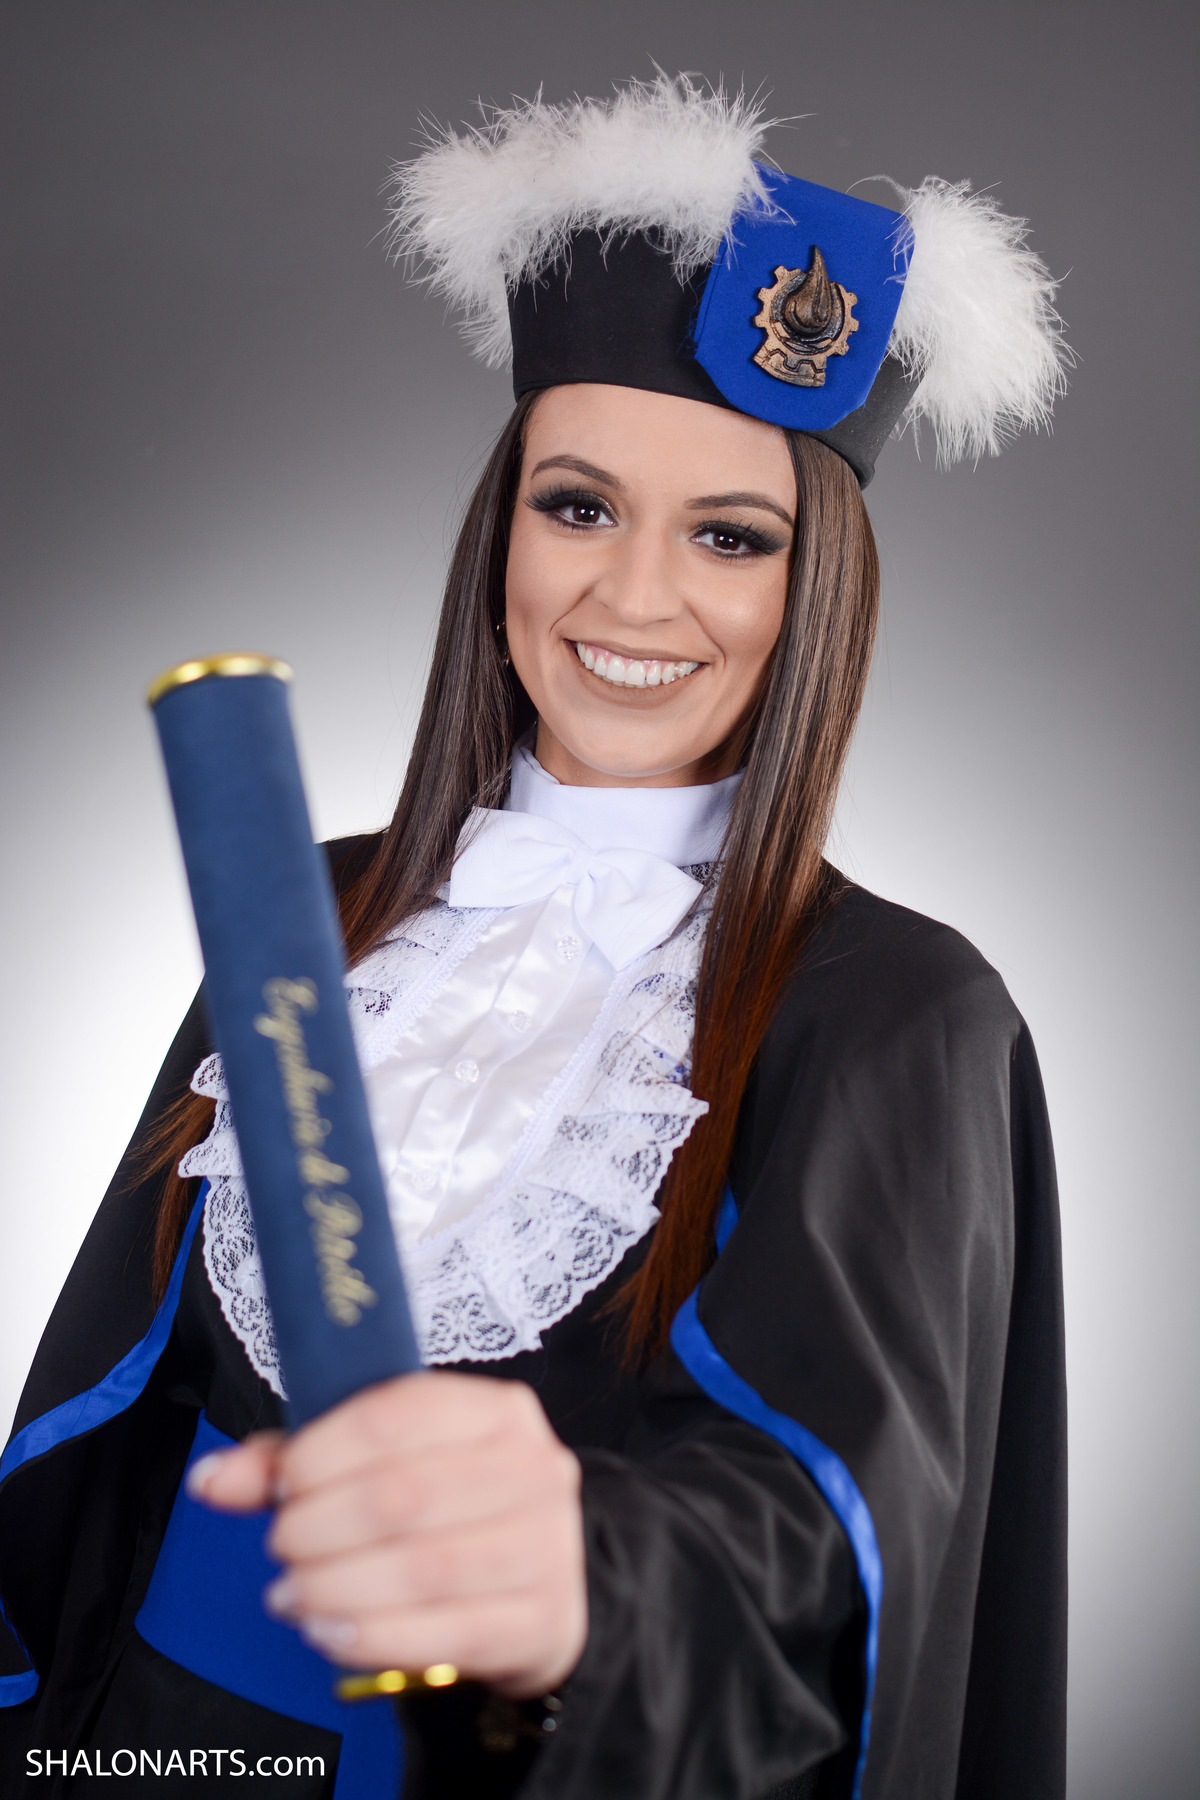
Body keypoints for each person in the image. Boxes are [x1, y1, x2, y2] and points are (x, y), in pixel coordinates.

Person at [0, 75, 1069, 1800]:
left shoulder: (899, 1009)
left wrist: (582, 1571)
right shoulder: (317, 908)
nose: (634, 597)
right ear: (502, 527)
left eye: (732, 537)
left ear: (816, 593)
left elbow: (823, 1535)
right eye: (579, 506)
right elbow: (111, 1414)